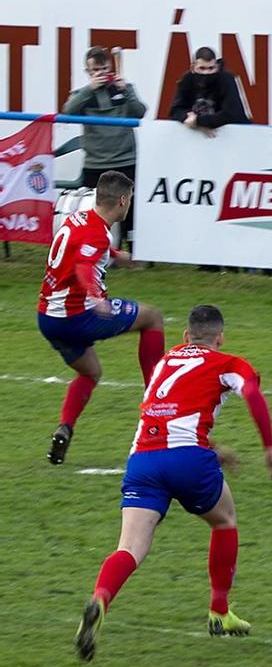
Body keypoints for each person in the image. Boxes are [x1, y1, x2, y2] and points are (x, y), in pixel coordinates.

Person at [72, 303, 272, 662]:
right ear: (220, 338)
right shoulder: (229, 362)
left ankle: (101, 598)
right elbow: (252, 394)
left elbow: (171, 415)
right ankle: (219, 611)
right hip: (187, 459)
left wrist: (214, 450)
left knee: (130, 547)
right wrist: (270, 449)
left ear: (186, 336)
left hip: (143, 459)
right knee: (224, 519)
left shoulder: (166, 362)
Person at [37, 173, 166, 466]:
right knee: (152, 317)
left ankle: (65, 428)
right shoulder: (97, 233)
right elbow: (84, 264)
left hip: (48, 318)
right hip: (78, 315)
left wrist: (116, 255)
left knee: (90, 372)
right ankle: (157, 403)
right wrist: (96, 297)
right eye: (130, 200)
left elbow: (84, 249)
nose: (129, 205)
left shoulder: (79, 219)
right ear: (122, 201)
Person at [63, 46, 146, 248]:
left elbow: (140, 112)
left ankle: (133, 250)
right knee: (95, 208)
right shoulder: (82, 94)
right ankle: (98, 246)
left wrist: (125, 90)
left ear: (110, 66)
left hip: (125, 159)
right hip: (96, 161)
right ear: (88, 72)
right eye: (94, 71)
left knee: (129, 207)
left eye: (103, 69)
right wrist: (89, 88)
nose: (100, 74)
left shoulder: (124, 89)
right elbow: (68, 112)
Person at [167, 47, 249, 136]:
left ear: (217, 67)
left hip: (236, 136)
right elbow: (175, 110)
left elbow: (232, 114)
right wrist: (187, 118)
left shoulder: (226, 79)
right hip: (199, 137)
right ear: (193, 68)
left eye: (211, 68)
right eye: (202, 68)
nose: (206, 73)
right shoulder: (187, 79)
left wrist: (199, 121)